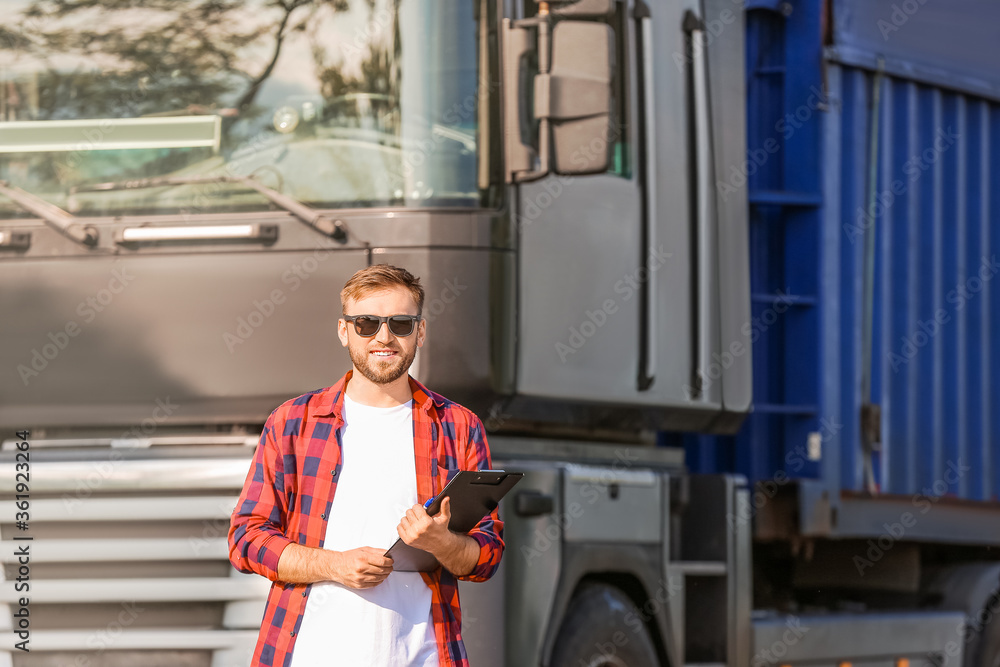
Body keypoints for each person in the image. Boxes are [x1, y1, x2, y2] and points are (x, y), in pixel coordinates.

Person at [228, 264, 504, 667]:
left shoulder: (458, 426)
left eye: (401, 324)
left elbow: (488, 556)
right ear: (344, 331)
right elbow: (246, 540)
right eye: (366, 323)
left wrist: (441, 543)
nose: (384, 337)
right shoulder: (293, 422)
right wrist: (335, 565)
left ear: (420, 332)